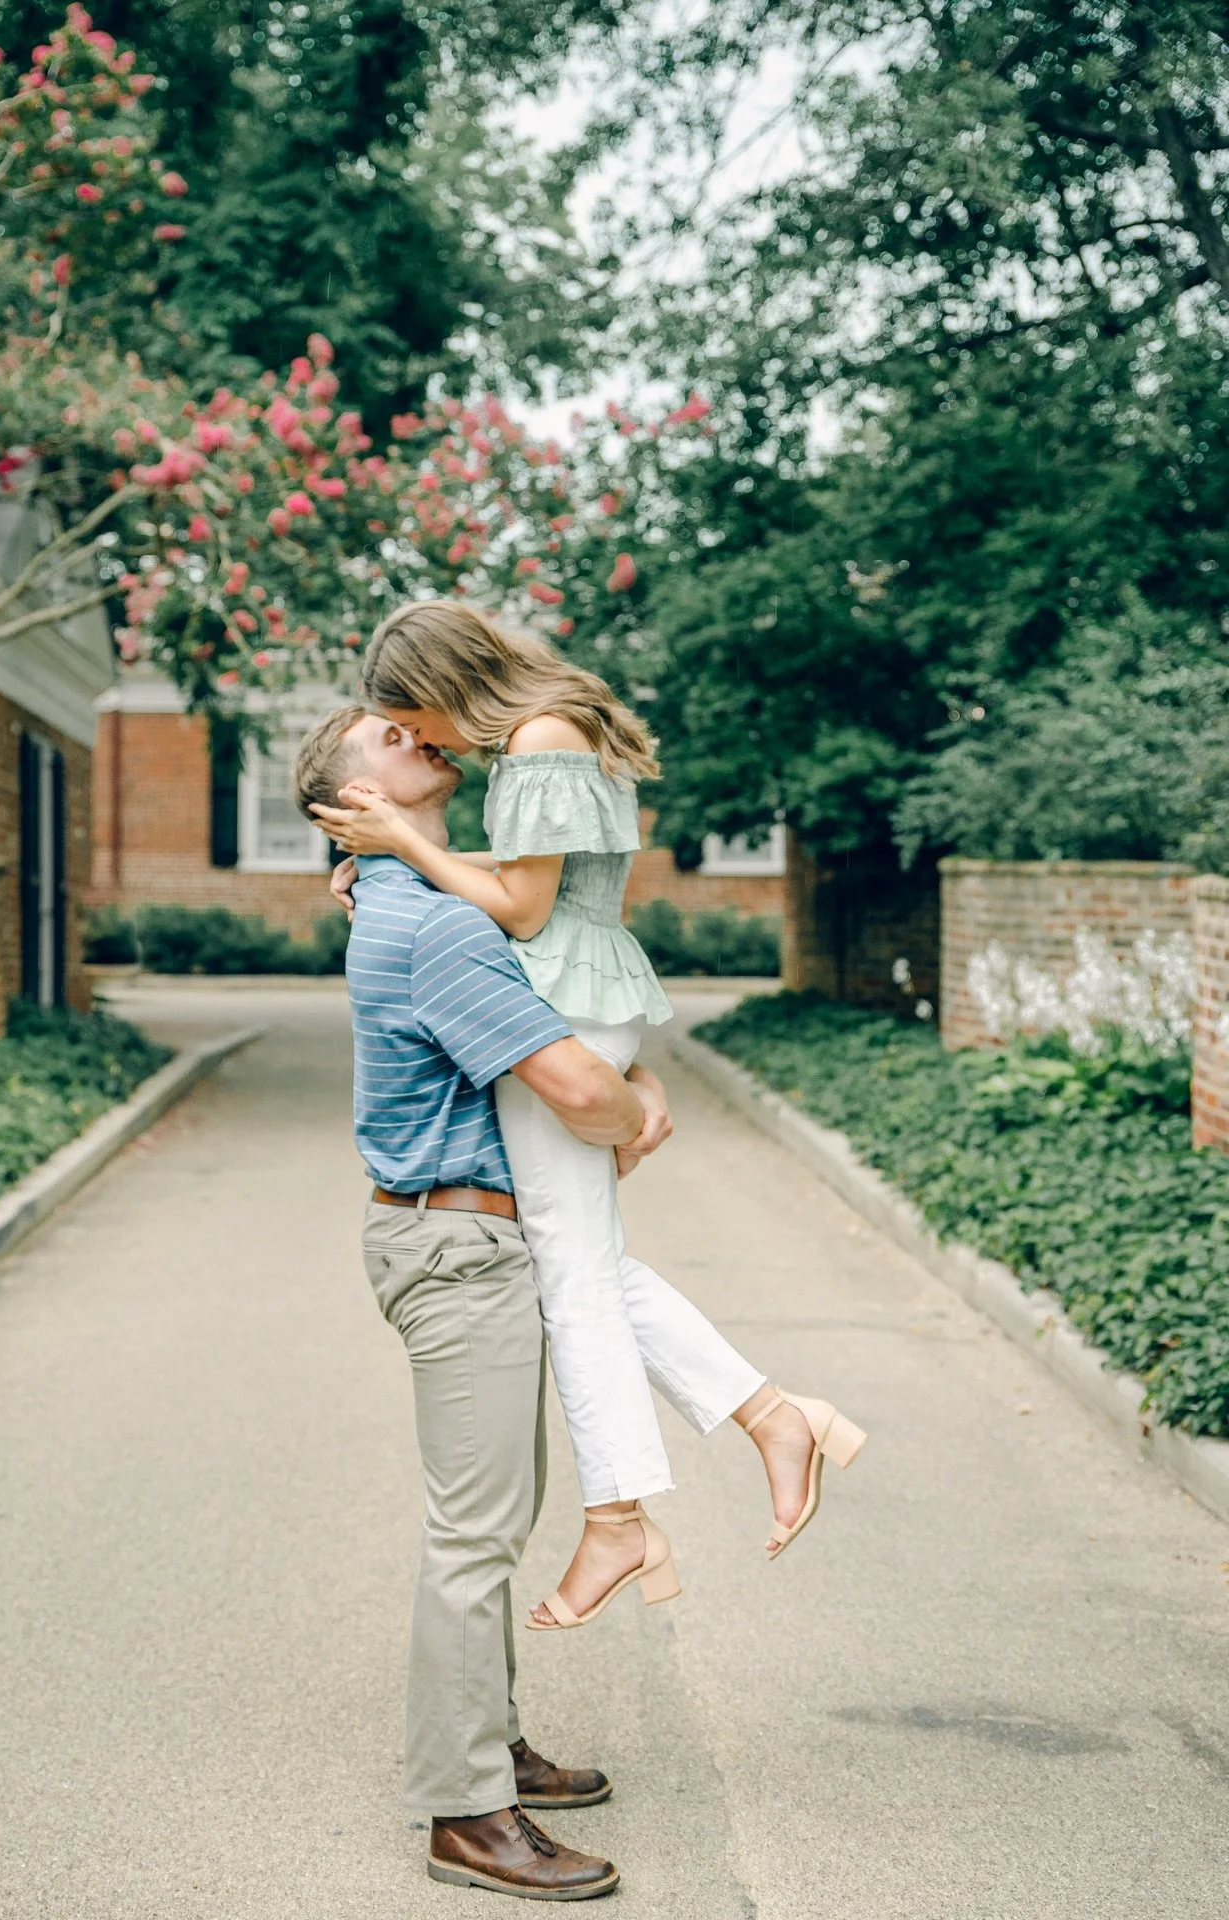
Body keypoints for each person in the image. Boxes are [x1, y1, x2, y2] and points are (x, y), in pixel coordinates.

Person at [309, 600, 867, 1632]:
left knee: (572, 1279)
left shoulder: (541, 738)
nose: (426, 739)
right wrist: (392, 876)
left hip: (564, 1005)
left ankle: (628, 1512)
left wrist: (396, 839)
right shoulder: (544, 732)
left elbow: (524, 909)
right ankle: (769, 1423)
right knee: (587, 1266)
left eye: (415, 715)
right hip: (576, 1000)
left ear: (448, 674)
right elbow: (531, 901)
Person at [292, 701, 679, 1900]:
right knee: (476, 1536)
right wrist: (640, 1109)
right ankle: (464, 1812)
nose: (420, 734)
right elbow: (573, 1085)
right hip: (457, 1246)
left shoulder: (415, 899)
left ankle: (488, 1738)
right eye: (387, 734)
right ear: (352, 797)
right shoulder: (434, 928)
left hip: (457, 1238)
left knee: (494, 1520)